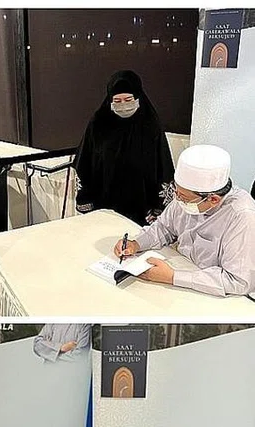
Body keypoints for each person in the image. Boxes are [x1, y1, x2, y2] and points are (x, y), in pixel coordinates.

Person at [114, 144, 255, 297]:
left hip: (212, 295)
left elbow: (238, 282)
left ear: (213, 199)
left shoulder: (242, 216)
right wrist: (136, 244)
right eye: (176, 192)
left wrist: (172, 277)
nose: (177, 200)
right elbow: (164, 227)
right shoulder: (187, 196)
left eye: (183, 197)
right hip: (182, 271)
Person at [75, 71, 175, 224]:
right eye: (117, 100)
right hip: (104, 206)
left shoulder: (150, 125)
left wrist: (158, 207)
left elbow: (163, 166)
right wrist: (86, 201)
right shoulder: (98, 124)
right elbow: (84, 163)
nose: (123, 105)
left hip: (141, 207)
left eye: (128, 99)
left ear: (138, 97)